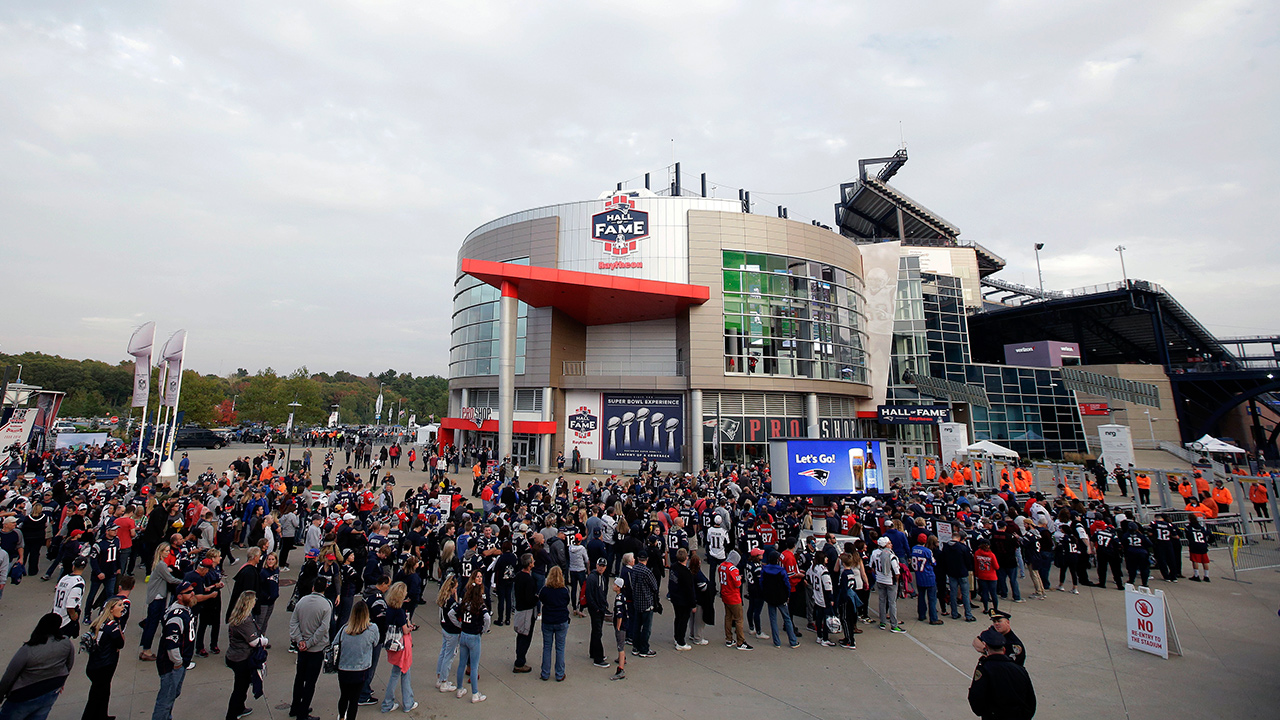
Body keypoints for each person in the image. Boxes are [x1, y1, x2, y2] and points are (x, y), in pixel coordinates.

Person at [0, 614, 75, 720]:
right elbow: (69, 664)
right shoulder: (66, 643)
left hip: (24, 695)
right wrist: (61, 681)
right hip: (51, 692)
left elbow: (9, 675)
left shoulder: (28, 650)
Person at [152, 581, 198, 720]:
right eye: (188, 592)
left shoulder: (185, 609)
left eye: (192, 591)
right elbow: (171, 643)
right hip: (171, 665)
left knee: (172, 694)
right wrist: (178, 662)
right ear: (179, 596)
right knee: (166, 699)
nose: (192, 594)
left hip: (181, 662)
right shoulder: (176, 616)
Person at [967, 628, 1036, 720]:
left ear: (986, 648)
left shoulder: (985, 669)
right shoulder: (1019, 669)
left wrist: (986, 713)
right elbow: (1030, 700)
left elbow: (976, 697)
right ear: (1004, 649)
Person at [289, 575, 332, 720]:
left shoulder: (302, 601)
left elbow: (293, 623)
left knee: (299, 678)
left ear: (313, 587)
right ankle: (303, 712)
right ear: (325, 588)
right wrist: (309, 643)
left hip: (302, 649)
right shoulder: (326, 605)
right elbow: (323, 629)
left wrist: (300, 640)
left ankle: (295, 706)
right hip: (316, 649)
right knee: (310, 682)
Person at [334, 599, 381, 720]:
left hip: (344, 668)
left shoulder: (345, 629)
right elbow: (376, 642)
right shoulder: (372, 629)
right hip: (361, 670)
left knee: (344, 696)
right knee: (354, 700)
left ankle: (341, 717)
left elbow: (334, 643)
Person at [225, 590, 267, 720]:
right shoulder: (245, 621)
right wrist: (264, 641)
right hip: (241, 658)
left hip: (234, 655)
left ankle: (240, 708)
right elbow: (253, 641)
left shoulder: (237, 616)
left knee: (242, 686)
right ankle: (232, 715)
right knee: (240, 688)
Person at [83, 598, 126, 720]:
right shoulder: (112, 627)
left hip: (95, 664)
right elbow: (120, 644)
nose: (122, 608)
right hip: (104, 666)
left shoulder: (98, 623)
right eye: (119, 605)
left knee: (102, 693)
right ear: (111, 609)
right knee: (97, 695)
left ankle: (102, 715)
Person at [449, 578, 490, 703]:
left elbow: (451, 613)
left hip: (464, 635)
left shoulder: (464, 603)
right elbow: (487, 618)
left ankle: (460, 689)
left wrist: (460, 625)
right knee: (474, 666)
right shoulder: (480, 605)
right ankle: (475, 693)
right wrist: (484, 629)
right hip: (474, 636)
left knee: (462, 663)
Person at [382, 582, 417, 712]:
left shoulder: (389, 609)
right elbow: (405, 630)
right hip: (402, 645)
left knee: (398, 672)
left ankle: (401, 702)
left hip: (392, 644)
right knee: (401, 672)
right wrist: (409, 627)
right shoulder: (400, 612)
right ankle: (401, 702)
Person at [538, 566, 571, 681]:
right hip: (561, 620)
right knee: (560, 648)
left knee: (547, 647)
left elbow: (541, 599)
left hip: (548, 621)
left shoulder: (545, 590)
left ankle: (545, 673)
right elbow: (567, 601)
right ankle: (559, 673)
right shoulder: (564, 590)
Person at [869, 537, 905, 633]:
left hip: (880, 580)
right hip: (890, 580)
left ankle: (882, 622)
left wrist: (877, 575)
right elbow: (896, 571)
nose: (891, 545)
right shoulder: (890, 555)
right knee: (892, 603)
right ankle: (894, 625)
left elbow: (871, 566)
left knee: (882, 601)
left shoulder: (874, 553)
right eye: (889, 543)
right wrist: (896, 581)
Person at [717, 550, 751, 649]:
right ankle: (741, 642)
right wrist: (739, 578)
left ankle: (729, 639)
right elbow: (738, 584)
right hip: (733, 597)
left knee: (728, 617)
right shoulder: (733, 569)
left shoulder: (722, 566)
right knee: (739, 619)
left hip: (725, 594)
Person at [941, 532, 976, 621]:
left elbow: (943, 560)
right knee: (965, 594)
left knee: (953, 593)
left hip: (951, 572)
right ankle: (968, 614)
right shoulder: (963, 548)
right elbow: (968, 560)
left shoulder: (946, 547)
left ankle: (954, 613)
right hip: (962, 572)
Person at [512, 553, 538, 673]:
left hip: (520, 609)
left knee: (521, 636)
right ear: (529, 564)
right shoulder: (529, 579)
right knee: (525, 637)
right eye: (532, 561)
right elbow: (529, 599)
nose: (534, 562)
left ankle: (520, 658)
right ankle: (519, 662)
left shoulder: (519, 576)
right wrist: (536, 598)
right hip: (527, 611)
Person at [584, 557, 611, 667]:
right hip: (595, 609)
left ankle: (593, 652)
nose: (601, 568)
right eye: (600, 565)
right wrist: (596, 608)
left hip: (600, 608)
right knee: (597, 632)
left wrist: (604, 605)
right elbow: (589, 595)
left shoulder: (602, 577)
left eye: (603, 566)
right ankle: (598, 658)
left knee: (596, 631)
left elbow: (603, 593)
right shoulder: (592, 578)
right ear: (596, 565)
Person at [668, 549, 696, 651]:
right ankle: (680, 642)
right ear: (686, 558)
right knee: (683, 620)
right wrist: (693, 604)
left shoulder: (674, 567)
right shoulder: (686, 573)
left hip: (675, 597)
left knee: (678, 618)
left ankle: (677, 637)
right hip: (683, 600)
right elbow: (689, 590)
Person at [912, 534, 942, 625]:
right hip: (928, 576)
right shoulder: (927, 551)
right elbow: (934, 563)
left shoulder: (913, 549)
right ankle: (933, 618)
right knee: (932, 599)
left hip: (919, 576)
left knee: (921, 596)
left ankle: (921, 615)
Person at [974, 540, 1000, 614]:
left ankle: (986, 609)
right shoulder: (991, 555)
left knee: (984, 592)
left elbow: (976, 565)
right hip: (991, 576)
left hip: (982, 575)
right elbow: (996, 567)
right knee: (993, 593)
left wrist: (977, 574)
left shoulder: (977, 553)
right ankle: (995, 609)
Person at [609, 577, 628, 681]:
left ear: (618, 587)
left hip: (621, 625)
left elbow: (619, 614)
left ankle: (621, 669)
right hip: (625, 624)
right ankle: (622, 659)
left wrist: (618, 626)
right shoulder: (622, 597)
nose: (613, 586)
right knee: (622, 644)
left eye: (615, 585)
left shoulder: (618, 599)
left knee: (620, 646)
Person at [1187, 516, 1212, 582]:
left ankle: (1196, 575)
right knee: (1205, 561)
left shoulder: (1189, 527)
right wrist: (1208, 542)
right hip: (1203, 545)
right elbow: (1209, 533)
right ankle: (1206, 576)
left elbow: (1188, 535)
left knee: (1195, 561)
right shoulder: (1202, 528)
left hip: (1194, 545)